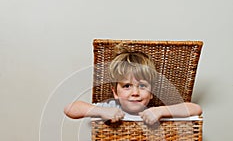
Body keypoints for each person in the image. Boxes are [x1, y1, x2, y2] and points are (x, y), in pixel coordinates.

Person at [64, 45, 202, 125]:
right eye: (126, 86)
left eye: (142, 86)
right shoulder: (111, 107)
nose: (135, 92)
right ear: (115, 93)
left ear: (151, 92)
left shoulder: (153, 110)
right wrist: (101, 111)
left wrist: (161, 111)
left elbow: (195, 109)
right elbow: (70, 109)